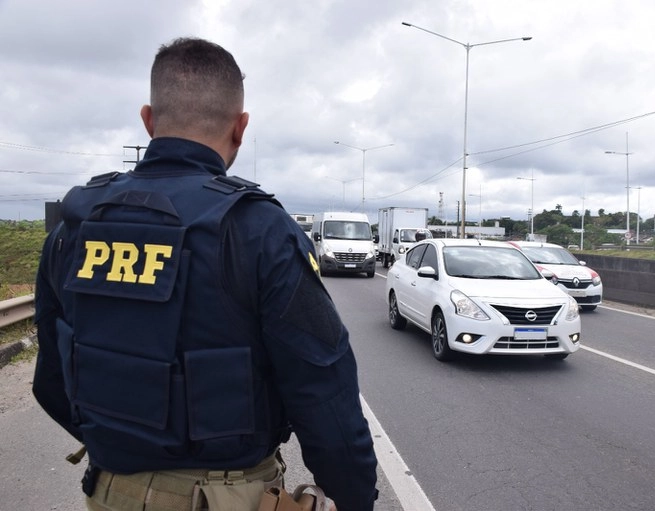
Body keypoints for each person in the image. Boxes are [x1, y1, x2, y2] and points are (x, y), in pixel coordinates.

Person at [32, 37, 378, 511]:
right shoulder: (258, 229)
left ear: (149, 120)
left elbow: (51, 381)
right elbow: (324, 393)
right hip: (227, 497)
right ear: (241, 127)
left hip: (109, 489)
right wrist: (355, 498)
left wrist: (126, 447)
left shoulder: (75, 226)